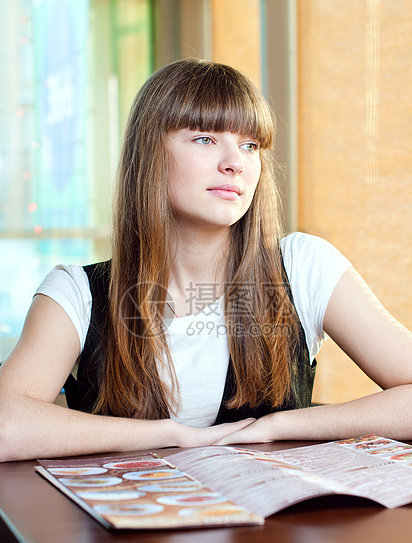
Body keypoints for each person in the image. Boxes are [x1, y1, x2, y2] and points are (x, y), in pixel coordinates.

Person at [1, 59, 411, 462]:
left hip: (271, 530)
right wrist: (170, 435)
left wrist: (281, 426)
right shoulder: (77, 293)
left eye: (250, 145)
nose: (235, 163)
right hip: (134, 528)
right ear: (150, 154)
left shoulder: (304, 265)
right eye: (205, 139)